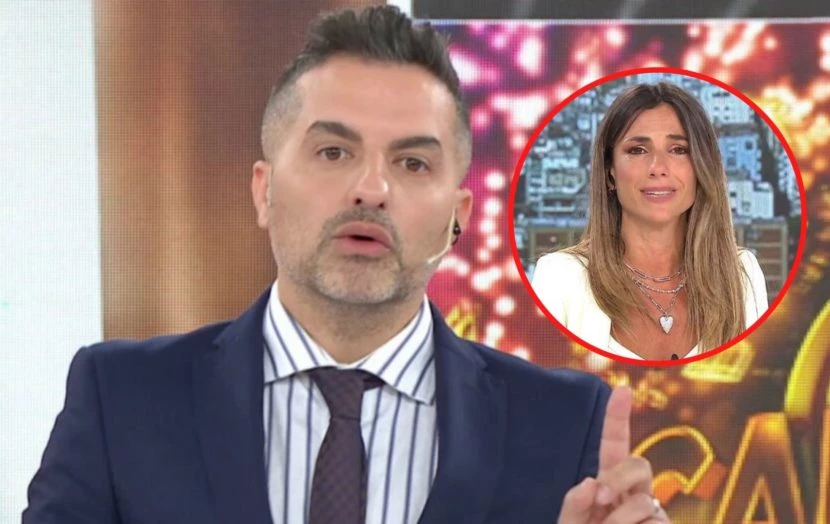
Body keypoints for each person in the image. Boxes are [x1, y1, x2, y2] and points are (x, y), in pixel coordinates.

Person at [24, 6, 669, 523]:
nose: (372, 189)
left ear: (458, 217)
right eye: (333, 152)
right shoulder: (120, 398)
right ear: (263, 191)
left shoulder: (564, 424)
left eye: (412, 163)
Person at [531, 81, 768, 361]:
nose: (658, 168)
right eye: (638, 150)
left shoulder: (741, 273)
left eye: (678, 149)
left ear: (701, 167)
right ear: (610, 172)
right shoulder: (560, 277)